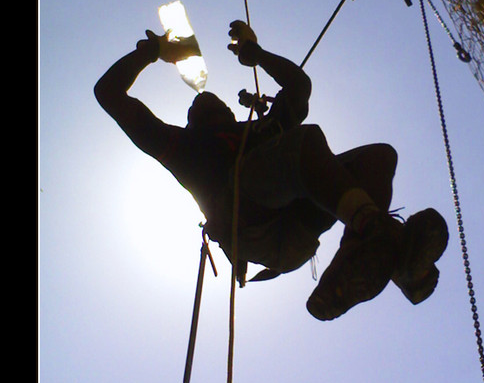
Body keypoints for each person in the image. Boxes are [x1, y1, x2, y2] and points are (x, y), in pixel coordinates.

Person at [94, 19, 448, 321]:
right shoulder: (181, 147)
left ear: (232, 114)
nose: (202, 100)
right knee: (304, 144)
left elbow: (298, 88)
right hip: (251, 226)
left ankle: (382, 256)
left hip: (293, 229)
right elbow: (108, 93)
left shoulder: (261, 130)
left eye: (208, 101)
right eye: (197, 107)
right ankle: (373, 228)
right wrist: (150, 51)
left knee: (379, 159)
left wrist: (257, 55)